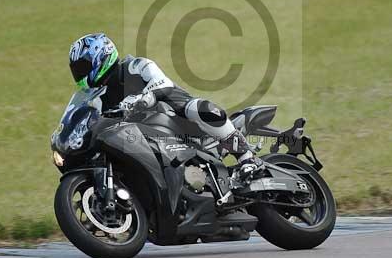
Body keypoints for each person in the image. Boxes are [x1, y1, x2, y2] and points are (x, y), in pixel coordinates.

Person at [67, 32, 264, 182]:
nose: (80, 75)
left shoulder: (136, 66)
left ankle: (247, 158)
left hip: (176, 119)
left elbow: (162, 84)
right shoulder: (99, 98)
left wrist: (143, 99)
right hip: (142, 138)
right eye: (77, 71)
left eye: (83, 68)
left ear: (101, 56)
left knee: (198, 107)